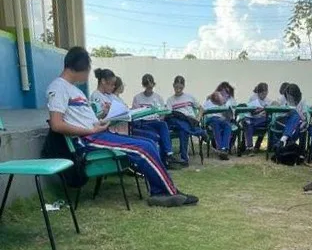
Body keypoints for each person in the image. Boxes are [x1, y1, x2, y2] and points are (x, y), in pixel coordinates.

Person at [46, 47, 198, 207]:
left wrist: (100, 121)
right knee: (142, 148)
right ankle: (167, 192)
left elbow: (80, 118)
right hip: (88, 139)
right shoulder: (58, 88)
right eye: (88, 69)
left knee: (149, 143)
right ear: (81, 67)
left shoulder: (74, 90)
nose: (89, 74)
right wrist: (91, 130)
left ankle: (162, 191)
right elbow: (57, 125)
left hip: (97, 132)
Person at [131, 74, 183, 168]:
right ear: (144, 85)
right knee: (157, 134)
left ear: (154, 85)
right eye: (147, 86)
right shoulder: (137, 98)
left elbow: (162, 113)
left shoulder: (158, 97)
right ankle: (162, 159)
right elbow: (135, 114)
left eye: (151, 87)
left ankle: (168, 154)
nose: (149, 89)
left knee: (163, 125)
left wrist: (160, 117)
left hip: (155, 121)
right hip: (143, 122)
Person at [165, 76, 207, 167]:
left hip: (189, 121)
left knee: (183, 130)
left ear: (184, 86)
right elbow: (169, 114)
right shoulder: (170, 100)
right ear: (173, 86)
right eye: (176, 87)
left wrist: (198, 119)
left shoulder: (190, 97)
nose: (178, 90)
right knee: (177, 122)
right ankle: (199, 132)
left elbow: (201, 109)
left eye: (180, 88)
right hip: (176, 121)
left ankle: (184, 159)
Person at [276, 83, 308, 151]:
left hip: (296, 123)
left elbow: (305, 118)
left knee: (296, 117)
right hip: (282, 121)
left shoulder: (302, 101)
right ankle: (288, 142)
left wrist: (295, 109)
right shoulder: (282, 98)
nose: (288, 98)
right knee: (295, 117)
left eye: (290, 96)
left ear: (295, 95)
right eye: (287, 96)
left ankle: (284, 141)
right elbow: (277, 113)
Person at [243, 83, 272, 155]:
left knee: (269, 121)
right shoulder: (253, 98)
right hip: (252, 118)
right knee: (248, 124)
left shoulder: (268, 100)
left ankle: (257, 145)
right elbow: (252, 112)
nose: (264, 96)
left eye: (266, 94)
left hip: (261, 119)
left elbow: (269, 111)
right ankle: (249, 147)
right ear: (258, 93)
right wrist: (262, 109)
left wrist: (267, 111)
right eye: (262, 94)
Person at [203, 91, 232, 160]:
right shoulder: (207, 102)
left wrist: (225, 117)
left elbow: (227, 113)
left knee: (228, 125)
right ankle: (220, 149)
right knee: (215, 124)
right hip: (211, 119)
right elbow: (204, 112)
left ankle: (224, 148)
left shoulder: (222, 102)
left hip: (221, 119)